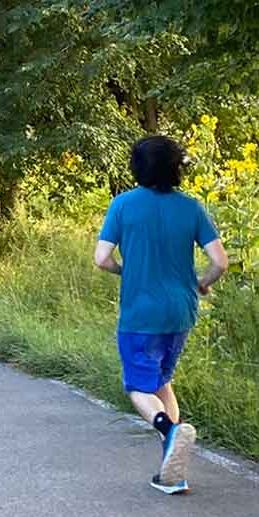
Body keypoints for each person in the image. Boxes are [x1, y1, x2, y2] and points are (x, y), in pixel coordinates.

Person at [95, 134, 230, 495]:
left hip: (141, 313)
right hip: (181, 311)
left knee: (139, 388)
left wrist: (125, 270)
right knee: (161, 382)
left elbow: (101, 259)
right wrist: (202, 283)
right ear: (176, 168)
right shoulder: (191, 208)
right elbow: (220, 262)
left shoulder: (123, 205)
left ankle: (170, 432)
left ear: (137, 168)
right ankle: (173, 473)